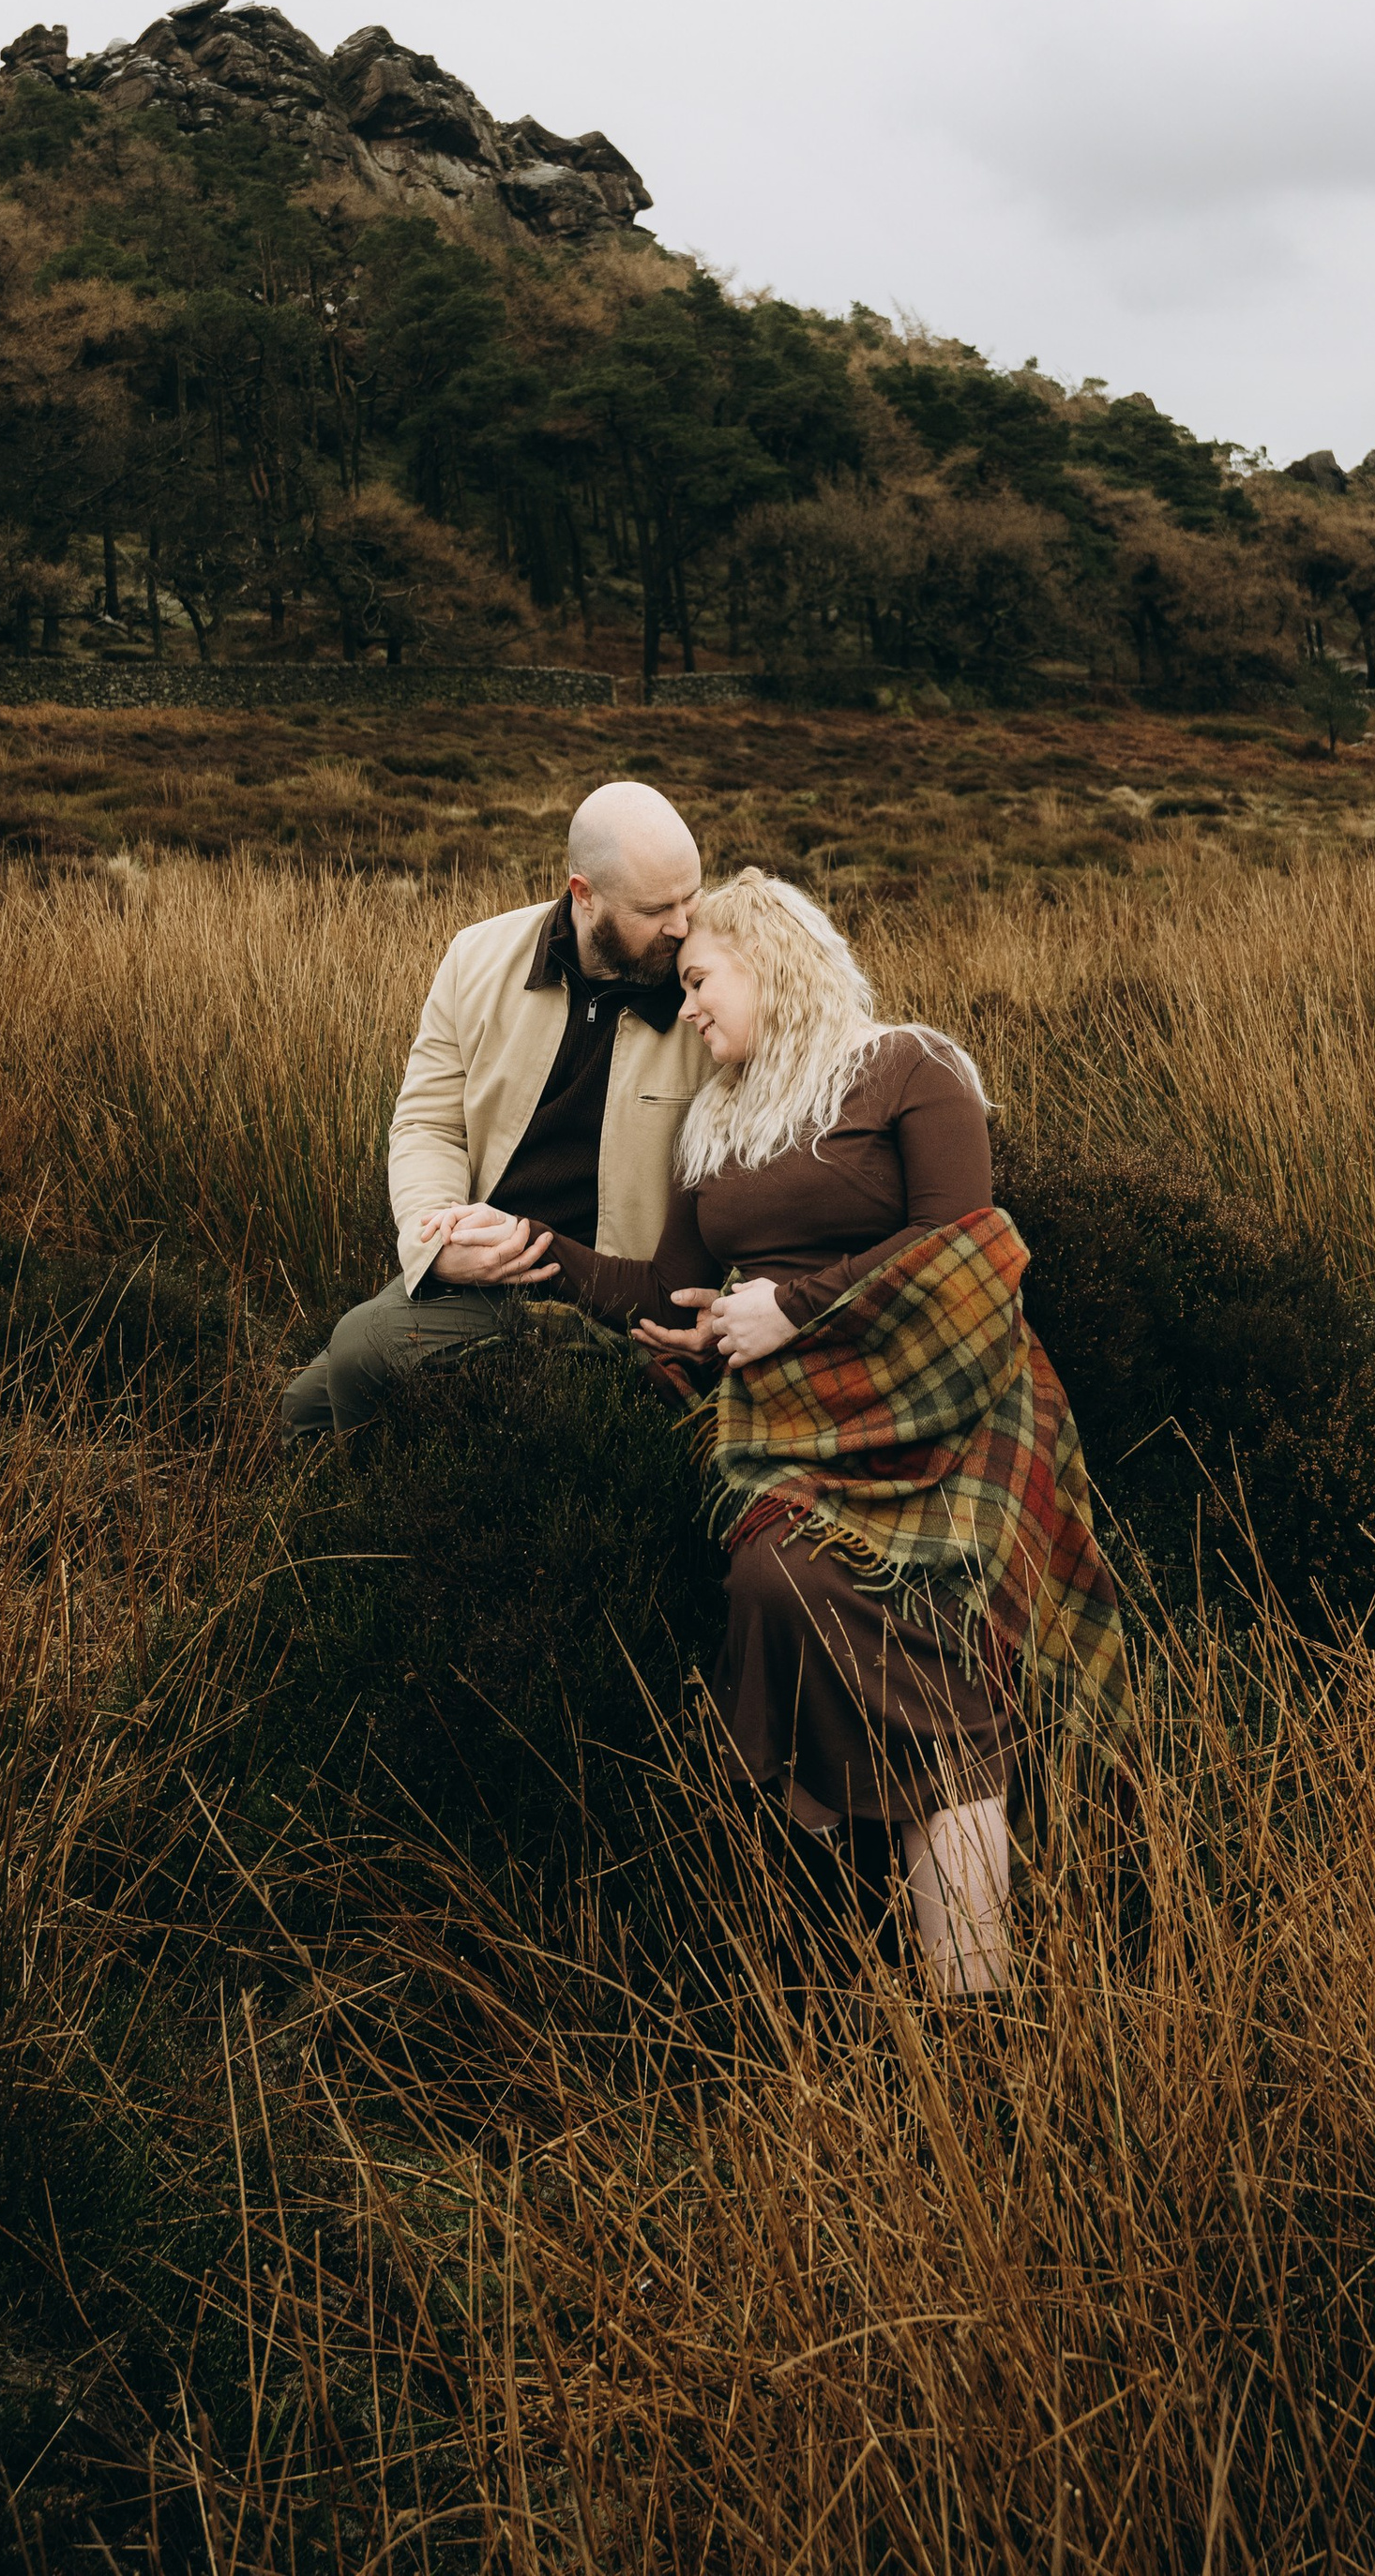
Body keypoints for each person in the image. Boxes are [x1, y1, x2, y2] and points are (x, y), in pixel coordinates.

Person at [422, 866, 1128, 1992]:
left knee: (907, 1605)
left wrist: (792, 1306)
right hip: (790, 1430)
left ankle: (971, 1991)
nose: (687, 1008)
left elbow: (967, 1247)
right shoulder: (713, 1121)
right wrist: (529, 1248)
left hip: (944, 1404)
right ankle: (939, 1951)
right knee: (777, 1582)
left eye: (699, 980)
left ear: (768, 960)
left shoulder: (910, 1066)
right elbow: (665, 1294)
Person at [280, 780, 708, 1438]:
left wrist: (726, 1305)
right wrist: (435, 1246)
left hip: (617, 1295)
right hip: (491, 1266)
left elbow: (768, 1161)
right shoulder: (476, 956)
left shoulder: (710, 985)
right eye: (657, 908)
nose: (682, 925)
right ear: (583, 893)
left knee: (362, 1350)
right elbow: (428, 1122)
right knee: (303, 1413)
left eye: (692, 896)